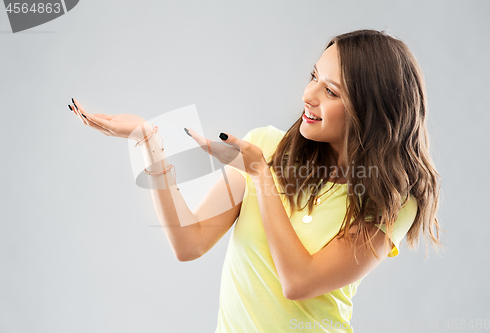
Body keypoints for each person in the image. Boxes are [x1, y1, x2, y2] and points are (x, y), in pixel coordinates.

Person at [68, 29, 445, 332]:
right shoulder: (265, 145)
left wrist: (261, 176)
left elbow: (299, 282)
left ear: (371, 111)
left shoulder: (392, 204)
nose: (307, 95)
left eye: (330, 91)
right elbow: (189, 243)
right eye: (313, 77)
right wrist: (150, 143)